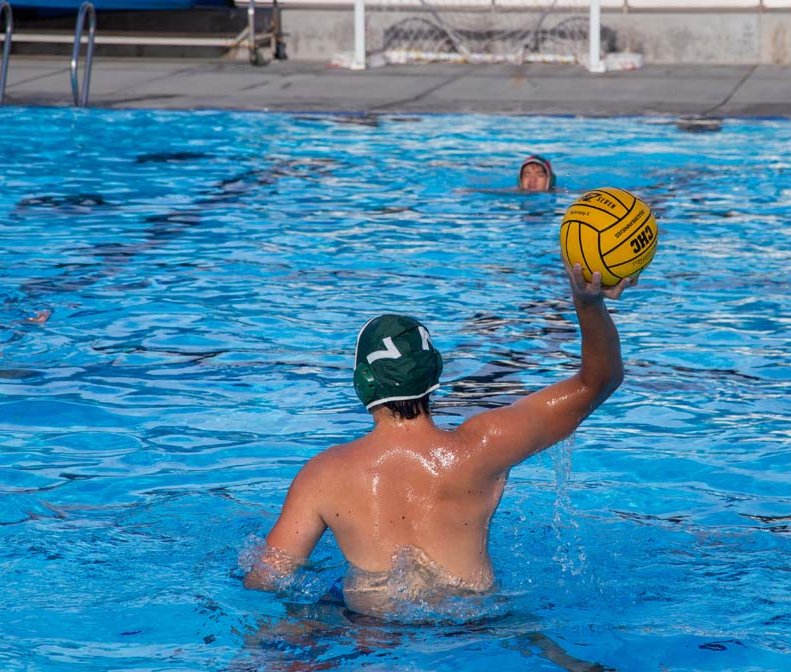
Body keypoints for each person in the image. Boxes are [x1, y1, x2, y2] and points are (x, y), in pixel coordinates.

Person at [244, 260, 634, 619]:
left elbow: (265, 580)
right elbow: (598, 381)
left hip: (372, 635)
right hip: (476, 624)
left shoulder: (325, 474)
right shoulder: (483, 447)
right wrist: (588, 304)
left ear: (362, 383)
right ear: (435, 373)